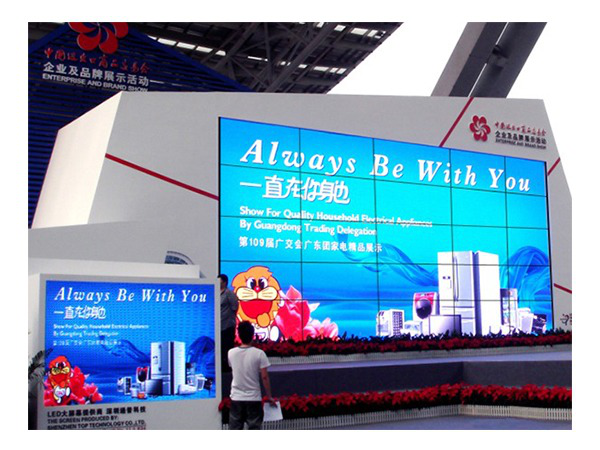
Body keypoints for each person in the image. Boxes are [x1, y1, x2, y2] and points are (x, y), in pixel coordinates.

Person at [228, 321, 276, 430]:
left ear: (239, 335)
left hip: (236, 397)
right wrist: (269, 396)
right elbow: (264, 377)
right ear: (253, 335)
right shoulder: (259, 354)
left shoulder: (231, 353)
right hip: (254, 398)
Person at [219, 274, 238, 373]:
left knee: (227, 347)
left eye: (220, 281)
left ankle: (228, 367)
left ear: (225, 283)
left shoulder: (229, 294)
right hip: (218, 325)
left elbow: (235, 307)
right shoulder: (215, 292)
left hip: (227, 325)